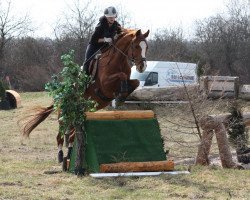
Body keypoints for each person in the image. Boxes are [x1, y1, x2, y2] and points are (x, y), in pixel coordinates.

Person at [83, 6, 122, 74]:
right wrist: (104, 39)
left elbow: (120, 33)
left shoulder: (117, 25)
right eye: (110, 17)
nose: (112, 18)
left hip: (106, 45)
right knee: (87, 60)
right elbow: (93, 40)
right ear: (106, 17)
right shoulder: (100, 26)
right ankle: (84, 78)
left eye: (113, 16)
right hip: (94, 45)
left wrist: (117, 37)